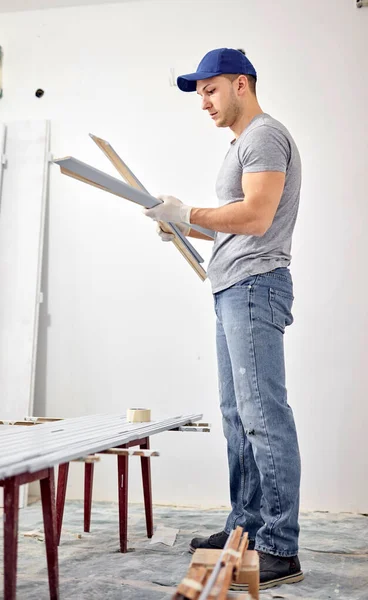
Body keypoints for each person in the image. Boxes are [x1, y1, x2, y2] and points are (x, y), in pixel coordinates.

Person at [143, 48, 304, 590]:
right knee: (238, 415)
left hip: (255, 286)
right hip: (234, 286)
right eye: (199, 93)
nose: (204, 102)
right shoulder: (241, 146)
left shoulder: (262, 136)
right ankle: (247, 526)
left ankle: (281, 546)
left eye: (210, 90)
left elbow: (256, 216)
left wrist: (187, 212)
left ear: (241, 84)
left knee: (263, 415)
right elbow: (233, 223)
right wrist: (183, 226)